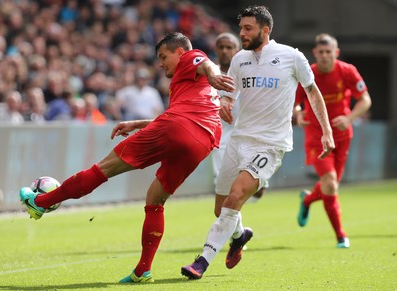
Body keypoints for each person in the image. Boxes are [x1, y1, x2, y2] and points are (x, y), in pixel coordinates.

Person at [19, 32, 234, 283]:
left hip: (180, 127)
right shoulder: (192, 85)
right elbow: (181, 116)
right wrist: (138, 123)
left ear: (178, 52)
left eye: (164, 57)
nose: (161, 63)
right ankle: (143, 270)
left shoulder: (191, 57)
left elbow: (203, 63)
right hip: (203, 142)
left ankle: (42, 202)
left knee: (104, 168)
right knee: (156, 197)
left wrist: (214, 74)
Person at [181, 5, 335, 280]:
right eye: (241, 28)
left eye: (247, 28)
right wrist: (226, 103)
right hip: (239, 140)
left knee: (235, 196)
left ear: (265, 30)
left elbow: (313, 93)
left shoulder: (291, 56)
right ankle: (240, 236)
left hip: (270, 144)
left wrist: (326, 131)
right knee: (221, 208)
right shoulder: (240, 59)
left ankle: (202, 261)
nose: (242, 33)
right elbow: (231, 93)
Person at [294, 33, 372, 248]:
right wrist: (298, 113)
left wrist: (349, 118)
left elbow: (365, 99)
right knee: (330, 182)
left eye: (329, 52)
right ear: (315, 53)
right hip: (316, 136)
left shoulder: (347, 71)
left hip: (342, 136)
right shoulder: (308, 73)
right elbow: (296, 101)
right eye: (321, 52)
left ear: (336, 53)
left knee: (332, 185)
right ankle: (341, 236)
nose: (325, 56)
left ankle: (308, 200)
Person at [212, 32, 264, 204]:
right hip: (220, 141)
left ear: (237, 50)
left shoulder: (248, 73)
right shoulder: (210, 76)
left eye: (229, 47)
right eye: (221, 47)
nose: (225, 51)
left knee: (257, 192)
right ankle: (235, 229)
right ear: (216, 50)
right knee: (225, 191)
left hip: (249, 135)